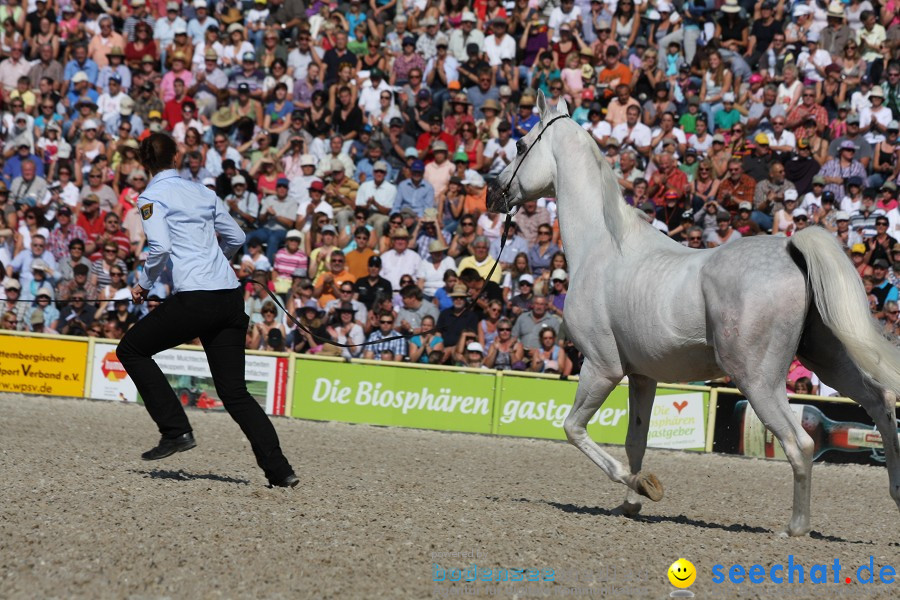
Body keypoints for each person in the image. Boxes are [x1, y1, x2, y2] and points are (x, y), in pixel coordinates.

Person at [115, 133, 298, 488]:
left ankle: (176, 430)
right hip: (229, 295)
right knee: (235, 393)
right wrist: (216, 264)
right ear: (177, 156)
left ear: (144, 162)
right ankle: (281, 472)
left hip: (197, 297)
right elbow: (238, 238)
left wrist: (143, 285)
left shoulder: (152, 196)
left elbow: (161, 247)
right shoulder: (202, 191)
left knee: (131, 350)